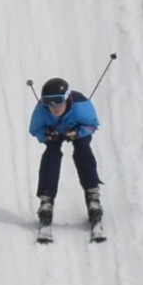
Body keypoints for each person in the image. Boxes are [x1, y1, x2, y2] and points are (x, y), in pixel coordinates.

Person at [29, 77, 102, 229]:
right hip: (54, 131)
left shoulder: (81, 107)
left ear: (67, 98)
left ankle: (92, 193)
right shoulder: (42, 110)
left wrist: (78, 132)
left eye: (58, 100)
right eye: (47, 101)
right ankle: (46, 198)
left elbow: (93, 124)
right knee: (52, 153)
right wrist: (46, 134)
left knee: (82, 149)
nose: (53, 106)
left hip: (77, 129)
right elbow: (35, 129)